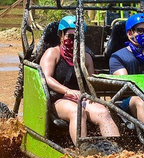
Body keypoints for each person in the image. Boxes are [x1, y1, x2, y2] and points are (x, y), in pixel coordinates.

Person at [39, 15, 120, 145]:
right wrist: (67, 91)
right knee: (77, 112)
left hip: (80, 97)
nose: (74, 41)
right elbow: (46, 78)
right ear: (61, 35)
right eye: (70, 37)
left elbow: (90, 81)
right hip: (57, 98)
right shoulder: (52, 53)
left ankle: (115, 150)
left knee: (103, 112)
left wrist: (100, 80)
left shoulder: (86, 57)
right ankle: (83, 150)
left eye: (78, 38)